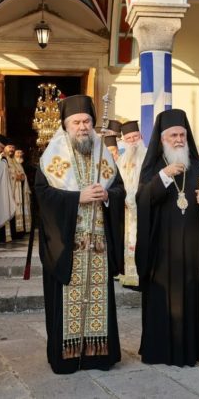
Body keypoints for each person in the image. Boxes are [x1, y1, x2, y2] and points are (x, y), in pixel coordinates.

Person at [34, 94, 125, 374]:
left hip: (99, 245)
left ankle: (99, 355)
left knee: (99, 299)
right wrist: (77, 198)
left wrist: (108, 196)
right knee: (66, 301)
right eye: (76, 122)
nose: (83, 127)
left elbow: (119, 189)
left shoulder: (103, 154)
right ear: (65, 125)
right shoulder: (52, 157)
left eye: (87, 121)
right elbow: (42, 196)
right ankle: (67, 358)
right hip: (67, 245)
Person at [136, 108, 199, 367]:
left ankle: (191, 349)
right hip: (163, 250)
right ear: (162, 139)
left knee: (191, 297)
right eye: (174, 136)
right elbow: (142, 200)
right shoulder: (154, 166)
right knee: (162, 300)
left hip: (192, 251)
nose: (179, 140)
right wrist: (164, 176)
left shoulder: (196, 166)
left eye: (182, 135)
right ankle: (160, 350)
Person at [116, 120, 146, 288]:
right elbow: (116, 185)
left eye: (135, 137)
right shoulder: (120, 161)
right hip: (126, 211)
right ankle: (129, 276)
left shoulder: (149, 157)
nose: (133, 141)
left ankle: (143, 276)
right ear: (124, 141)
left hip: (143, 209)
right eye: (129, 138)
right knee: (127, 241)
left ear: (141, 136)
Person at [3, 144, 28, 238]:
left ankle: (19, 231)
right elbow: (4, 175)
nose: (12, 149)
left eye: (13, 148)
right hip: (10, 192)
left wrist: (22, 177)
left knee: (18, 209)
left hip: (18, 191)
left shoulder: (15, 161)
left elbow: (22, 173)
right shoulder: (3, 160)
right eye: (10, 147)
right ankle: (12, 233)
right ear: (5, 148)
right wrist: (14, 177)